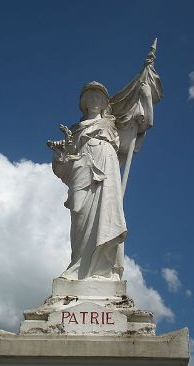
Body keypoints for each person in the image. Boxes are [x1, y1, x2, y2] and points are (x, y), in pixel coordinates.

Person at [49, 81, 127, 281]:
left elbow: (134, 119)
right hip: (81, 171)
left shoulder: (111, 126)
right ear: (83, 102)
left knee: (105, 214)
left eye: (98, 97)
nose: (94, 100)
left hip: (106, 167)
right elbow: (63, 169)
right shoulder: (75, 131)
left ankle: (102, 270)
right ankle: (78, 267)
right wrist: (59, 154)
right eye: (90, 96)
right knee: (79, 215)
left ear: (104, 103)